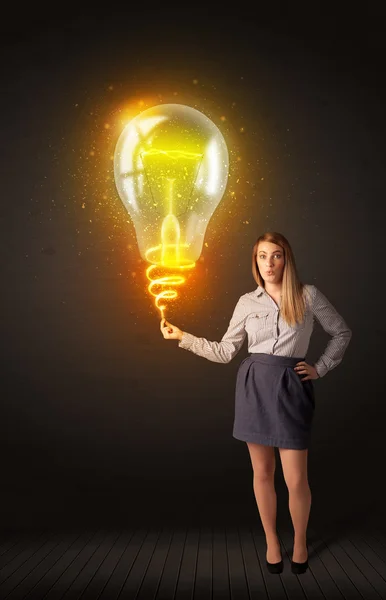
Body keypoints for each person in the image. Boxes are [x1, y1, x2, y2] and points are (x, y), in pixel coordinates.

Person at [160, 231, 352, 575]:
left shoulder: (307, 295)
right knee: (262, 473)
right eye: (262, 256)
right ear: (256, 262)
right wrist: (183, 337)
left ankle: (300, 542)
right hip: (254, 387)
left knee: (296, 479)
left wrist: (320, 367)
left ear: (286, 259)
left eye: (275, 256)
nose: (269, 264)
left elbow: (342, 332)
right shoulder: (247, 302)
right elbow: (226, 351)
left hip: (292, 386)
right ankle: (272, 542)